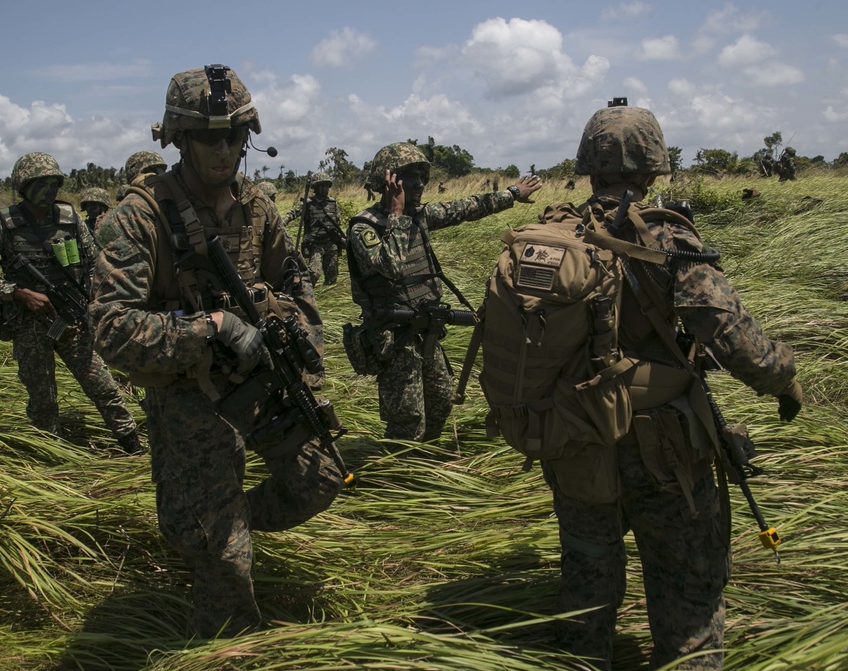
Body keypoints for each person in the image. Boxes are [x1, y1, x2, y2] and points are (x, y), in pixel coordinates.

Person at [531, 103, 802, 671]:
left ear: (589, 164)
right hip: (664, 453)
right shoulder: (663, 235)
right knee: (690, 607)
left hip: (575, 441)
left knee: (585, 590)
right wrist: (785, 376)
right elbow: (737, 343)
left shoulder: (554, 234)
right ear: (653, 165)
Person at [89, 64, 346, 638]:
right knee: (223, 555)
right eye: (207, 135)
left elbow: (298, 277)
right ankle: (232, 642)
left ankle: (216, 525)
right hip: (186, 396)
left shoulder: (258, 207)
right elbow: (109, 327)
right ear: (178, 137)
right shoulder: (139, 215)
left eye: (234, 135)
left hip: (260, 381)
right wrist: (209, 326)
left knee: (321, 480)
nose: (223, 148)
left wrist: (300, 327)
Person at [346, 142, 541, 441]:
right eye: (411, 177)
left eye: (422, 177)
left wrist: (512, 194)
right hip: (395, 340)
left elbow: (467, 207)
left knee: (440, 403)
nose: (420, 184)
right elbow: (391, 266)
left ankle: (427, 462)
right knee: (407, 421)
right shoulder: (364, 228)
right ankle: (400, 477)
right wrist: (397, 215)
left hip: (426, 332)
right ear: (389, 181)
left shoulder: (419, 216)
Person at [0, 152, 142, 454]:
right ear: (24, 186)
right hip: (28, 324)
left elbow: (93, 262)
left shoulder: (70, 219)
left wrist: (89, 299)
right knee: (43, 398)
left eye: (54, 184)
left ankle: (134, 446)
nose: (49, 191)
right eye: (41, 184)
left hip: (71, 318)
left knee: (103, 387)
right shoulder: (2, 225)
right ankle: (53, 454)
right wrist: (17, 293)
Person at [285, 173, 344, 286]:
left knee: (332, 276)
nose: (324, 188)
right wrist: (282, 224)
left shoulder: (332, 203)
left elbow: (338, 222)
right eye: (321, 186)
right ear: (315, 188)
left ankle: (327, 298)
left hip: (331, 244)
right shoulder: (308, 203)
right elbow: (292, 213)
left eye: (326, 185)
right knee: (314, 273)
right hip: (315, 244)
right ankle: (305, 293)